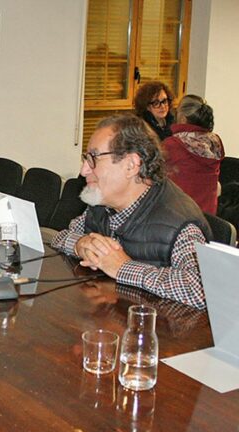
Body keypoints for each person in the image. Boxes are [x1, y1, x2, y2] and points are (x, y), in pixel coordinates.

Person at [51, 114, 211, 309]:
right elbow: (60, 237)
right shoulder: (102, 202)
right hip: (113, 318)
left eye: (93, 158)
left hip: (158, 334)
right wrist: (81, 244)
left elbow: (201, 290)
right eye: (86, 159)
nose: (84, 170)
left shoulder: (179, 223)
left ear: (131, 165)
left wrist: (122, 268)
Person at [163, 94, 225, 214]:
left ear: (182, 118)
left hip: (180, 216)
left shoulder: (172, 145)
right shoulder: (215, 141)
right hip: (209, 217)